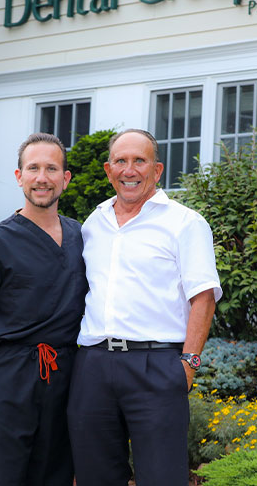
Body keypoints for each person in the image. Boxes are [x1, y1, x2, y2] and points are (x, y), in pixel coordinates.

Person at [67, 129, 222, 486]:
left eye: (140, 160)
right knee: (95, 476)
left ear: (157, 170)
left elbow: (203, 297)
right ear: (109, 170)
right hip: (92, 364)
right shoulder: (94, 224)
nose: (129, 169)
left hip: (156, 366)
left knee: (162, 478)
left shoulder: (185, 223)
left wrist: (189, 364)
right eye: (120, 161)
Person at [0, 133, 88, 486]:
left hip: (67, 374)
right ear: (19, 176)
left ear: (65, 178)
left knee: (55, 474)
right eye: (33, 168)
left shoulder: (83, 238)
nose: (42, 177)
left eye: (51, 168)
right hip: (12, 376)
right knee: (2, 477)